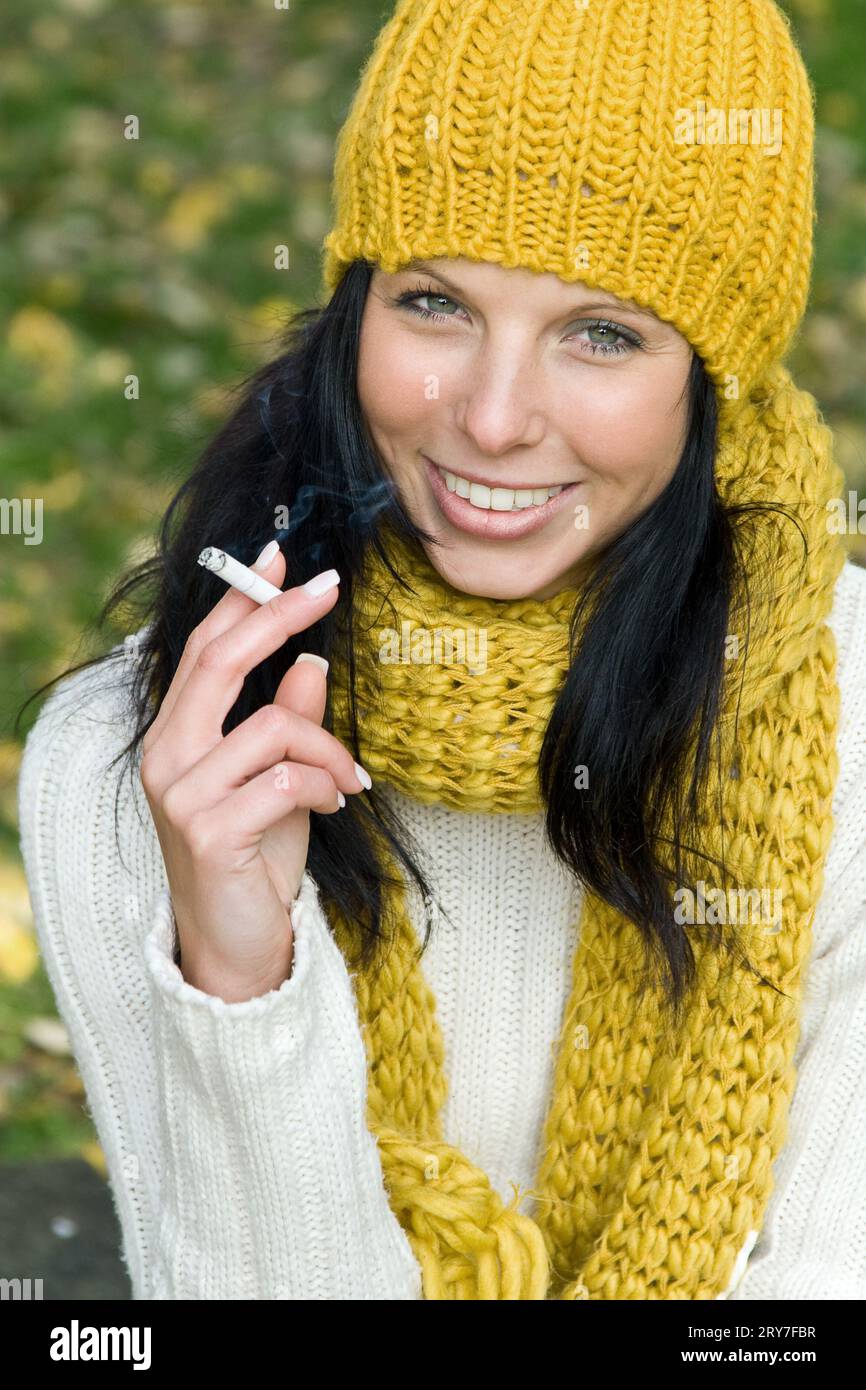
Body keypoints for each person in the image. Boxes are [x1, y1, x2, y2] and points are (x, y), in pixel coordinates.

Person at [16, 0, 866, 1299]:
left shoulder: (850, 732)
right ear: (355, 309)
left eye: (602, 332)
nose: (490, 416)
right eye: (435, 303)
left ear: (713, 378)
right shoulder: (135, 769)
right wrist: (240, 974)